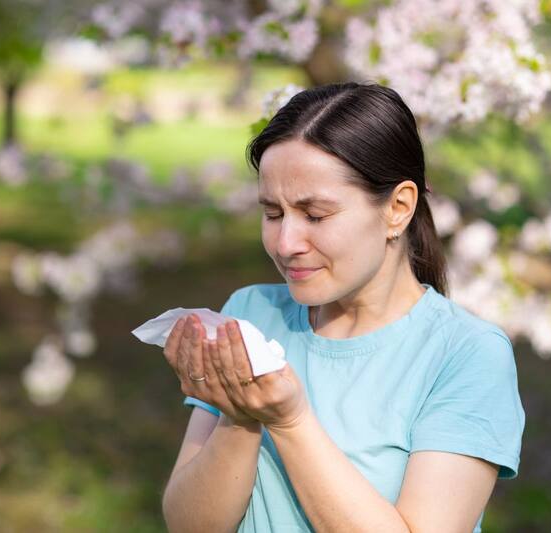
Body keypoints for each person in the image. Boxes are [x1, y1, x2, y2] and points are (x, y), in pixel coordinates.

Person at [160, 83, 525, 533]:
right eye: (273, 214)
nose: (286, 243)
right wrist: (238, 418)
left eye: (315, 215)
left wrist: (290, 423)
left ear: (398, 207)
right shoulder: (249, 314)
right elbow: (189, 526)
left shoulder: (467, 354)